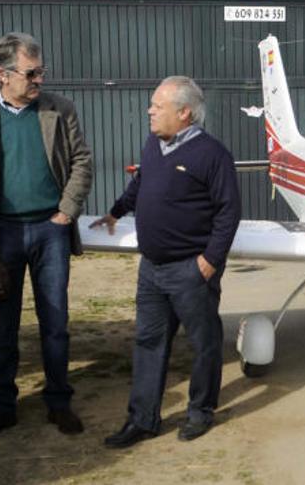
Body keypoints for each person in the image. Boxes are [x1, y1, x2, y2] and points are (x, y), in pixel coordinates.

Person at [0, 32, 93, 441]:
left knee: (55, 321)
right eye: (31, 73)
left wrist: (65, 213)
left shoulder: (59, 110)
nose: (38, 81)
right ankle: (2, 405)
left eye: (41, 72)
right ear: (1, 74)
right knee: (2, 326)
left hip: (50, 231)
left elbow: (82, 162)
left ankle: (58, 401)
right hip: (2, 235)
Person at [93, 76, 241, 448]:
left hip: (191, 270)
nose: (150, 111)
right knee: (147, 341)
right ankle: (142, 420)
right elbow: (141, 185)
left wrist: (209, 261)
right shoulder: (153, 145)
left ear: (184, 112)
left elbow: (228, 213)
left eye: (157, 106)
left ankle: (199, 412)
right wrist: (115, 212)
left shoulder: (213, 155)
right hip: (152, 269)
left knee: (203, 342)